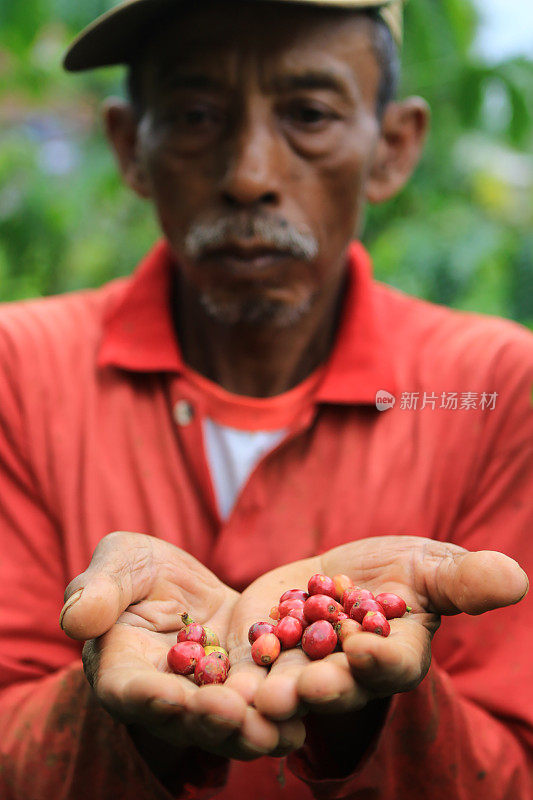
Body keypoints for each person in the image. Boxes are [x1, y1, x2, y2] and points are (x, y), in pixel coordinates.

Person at [0, 0, 531, 798]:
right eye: (194, 115)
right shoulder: (17, 373)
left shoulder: (493, 388)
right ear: (128, 148)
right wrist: (111, 709)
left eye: (309, 115)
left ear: (392, 148)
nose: (249, 176)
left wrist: (375, 711)